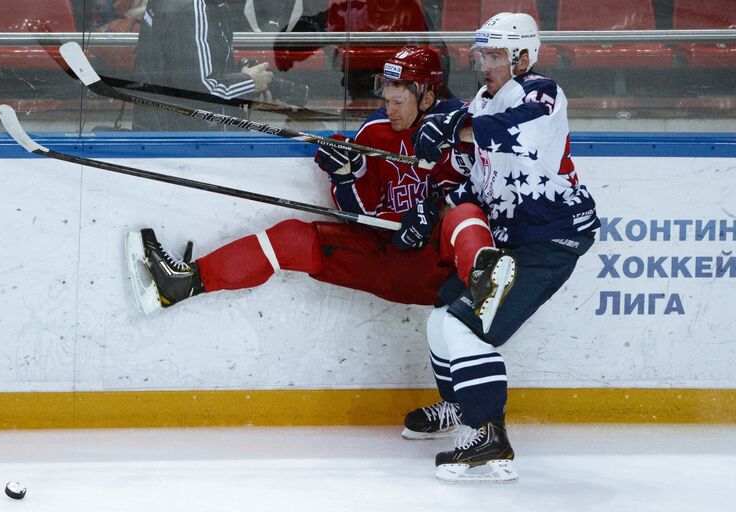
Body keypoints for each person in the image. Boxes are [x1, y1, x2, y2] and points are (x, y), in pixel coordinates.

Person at [125, 46, 513, 347]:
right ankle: (183, 283)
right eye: (387, 97)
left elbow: (492, 188)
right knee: (293, 237)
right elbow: (360, 216)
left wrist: (436, 208)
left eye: (400, 99)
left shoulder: (464, 127)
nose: (389, 107)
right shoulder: (374, 133)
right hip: (390, 260)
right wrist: (345, 177)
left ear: (427, 97)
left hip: (441, 271)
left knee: (463, 213)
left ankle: (483, 287)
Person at [404, 12, 601, 483]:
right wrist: (435, 206)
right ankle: (461, 405)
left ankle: (487, 433)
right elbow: (484, 177)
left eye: (495, 55)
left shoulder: (541, 93)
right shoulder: (484, 101)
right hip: (513, 240)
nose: (484, 64)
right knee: (442, 315)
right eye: (481, 55)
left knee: (464, 328)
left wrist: (452, 131)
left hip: (551, 239)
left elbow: (516, 132)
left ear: (524, 56)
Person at [132, 0, 274, 131]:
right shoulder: (194, 9)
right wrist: (250, 81)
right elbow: (203, 90)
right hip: (192, 140)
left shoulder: (205, 6)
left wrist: (243, 74)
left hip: (159, 129)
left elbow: (179, 70)